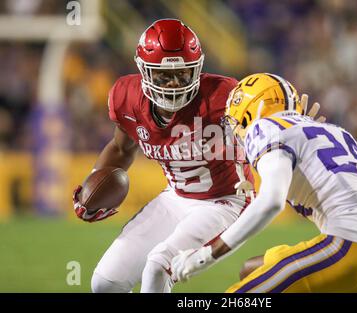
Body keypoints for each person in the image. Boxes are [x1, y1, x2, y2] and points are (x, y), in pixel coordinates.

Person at [170, 73, 357, 293]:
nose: (237, 130)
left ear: (253, 112)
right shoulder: (337, 133)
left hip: (345, 249)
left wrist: (205, 256)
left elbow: (271, 203)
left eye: (238, 121)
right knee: (252, 270)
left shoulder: (265, 127)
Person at [71, 19, 255, 293]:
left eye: (183, 74)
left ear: (198, 69)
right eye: (163, 75)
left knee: (158, 266)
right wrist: (93, 188)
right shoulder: (128, 98)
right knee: (105, 283)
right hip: (176, 197)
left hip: (225, 201)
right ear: (145, 72)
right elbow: (121, 148)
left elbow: (269, 125)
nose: (173, 84)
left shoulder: (225, 95)